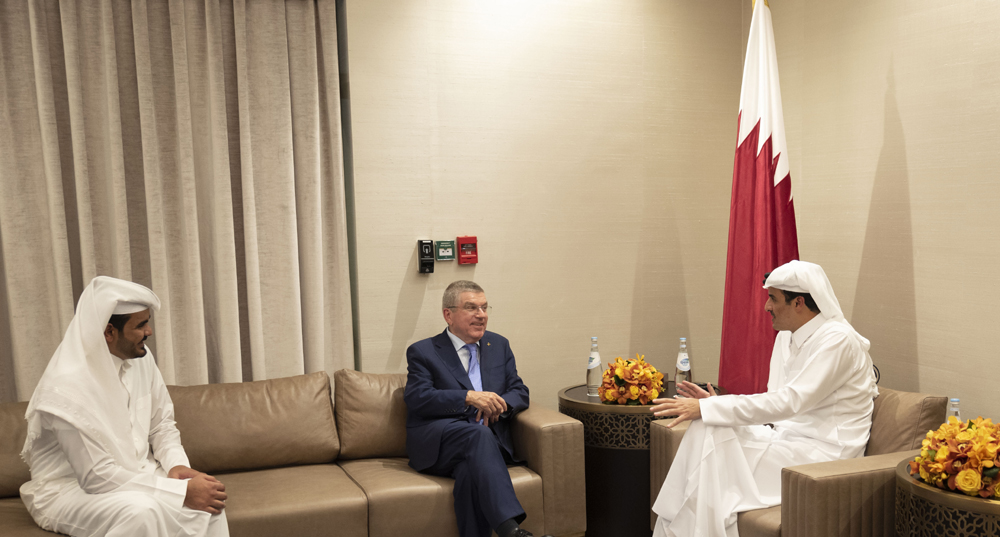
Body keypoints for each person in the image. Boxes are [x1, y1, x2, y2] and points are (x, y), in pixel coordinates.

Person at [649, 260, 878, 537]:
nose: (766, 307)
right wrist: (715, 406)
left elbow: (788, 403)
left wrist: (713, 407)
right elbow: (775, 400)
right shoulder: (786, 336)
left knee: (708, 436)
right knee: (707, 427)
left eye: (773, 298)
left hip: (824, 455)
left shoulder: (837, 341)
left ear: (799, 303)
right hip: (785, 440)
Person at [20, 276, 229, 537]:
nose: (149, 332)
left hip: (137, 475)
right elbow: (96, 477)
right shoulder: (66, 387)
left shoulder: (142, 359)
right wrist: (181, 492)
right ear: (109, 332)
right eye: (141, 325)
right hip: (68, 490)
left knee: (208, 505)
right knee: (143, 511)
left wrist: (176, 466)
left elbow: (162, 426)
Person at [404, 280, 545, 537]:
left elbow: (519, 391)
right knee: (478, 435)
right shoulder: (424, 352)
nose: (481, 315)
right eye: (471, 308)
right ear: (449, 314)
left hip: (485, 445)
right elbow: (418, 397)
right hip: (440, 441)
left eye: (484, 307)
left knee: (470, 474)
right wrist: (467, 397)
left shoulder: (499, 345)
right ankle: (511, 531)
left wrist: (497, 407)